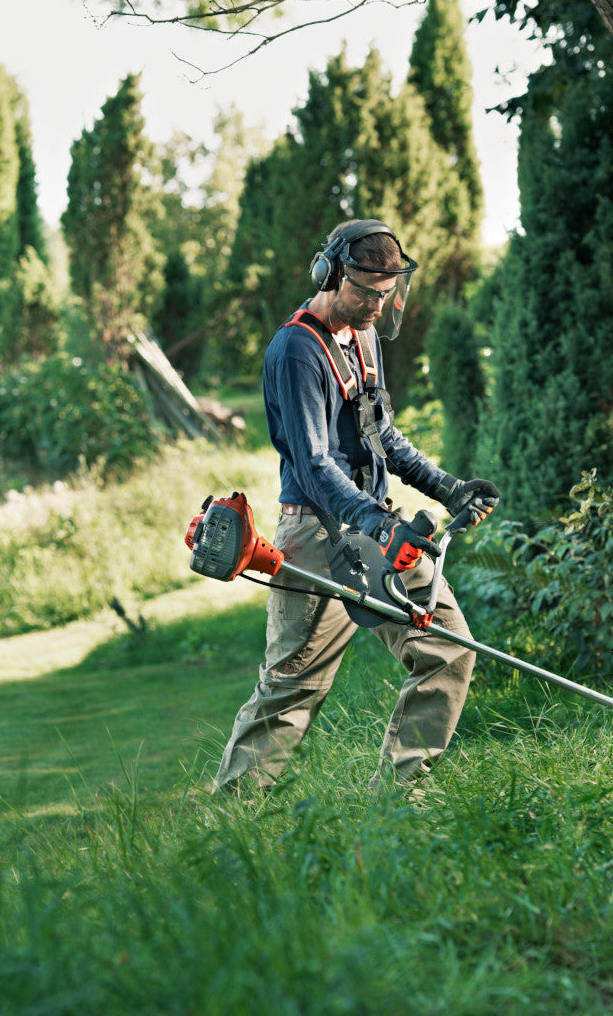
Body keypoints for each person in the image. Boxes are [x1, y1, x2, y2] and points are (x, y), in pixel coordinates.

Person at [212, 218, 500, 796]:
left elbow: (383, 436)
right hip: (320, 536)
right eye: (364, 290)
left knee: (448, 648)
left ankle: (401, 800)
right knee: (292, 688)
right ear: (331, 273)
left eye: (386, 291)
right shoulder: (297, 350)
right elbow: (314, 465)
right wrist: (376, 521)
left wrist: (447, 487)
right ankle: (229, 825)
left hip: (378, 526)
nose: (375, 303)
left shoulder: (363, 338)